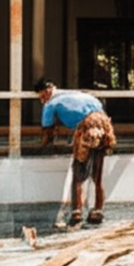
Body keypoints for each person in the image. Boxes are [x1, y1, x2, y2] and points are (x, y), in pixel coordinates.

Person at [36, 78, 116, 226]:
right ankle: (97, 210)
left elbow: (47, 130)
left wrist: (43, 145)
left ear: (47, 91)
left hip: (86, 128)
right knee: (97, 175)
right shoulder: (81, 95)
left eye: (41, 96)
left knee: (78, 173)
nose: (41, 100)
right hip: (103, 127)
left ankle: (77, 212)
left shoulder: (51, 103)